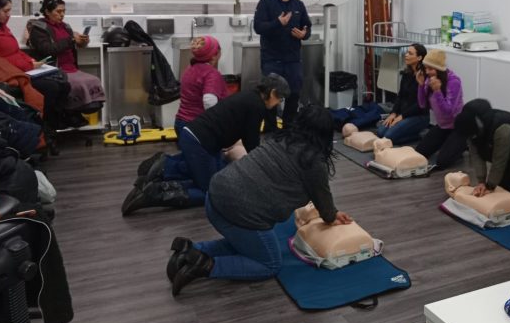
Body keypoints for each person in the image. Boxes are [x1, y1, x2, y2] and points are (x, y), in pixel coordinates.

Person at [166, 104, 352, 296]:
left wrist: (331, 213)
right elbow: (324, 204)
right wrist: (333, 216)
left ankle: (190, 251)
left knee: (245, 244)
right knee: (270, 263)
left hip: (214, 196)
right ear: (325, 134)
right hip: (238, 210)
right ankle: (205, 265)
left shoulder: (280, 138)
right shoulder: (314, 162)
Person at [121, 74, 289, 215]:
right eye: (279, 98)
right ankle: (155, 193)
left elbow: (243, 133)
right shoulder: (257, 106)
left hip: (194, 136)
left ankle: (165, 166)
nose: (278, 103)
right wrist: (262, 168)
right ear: (272, 93)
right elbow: (251, 141)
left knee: (212, 173)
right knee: (211, 191)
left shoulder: (249, 96)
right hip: (200, 143)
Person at [0, 0, 68, 153]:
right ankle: (43, 131)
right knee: (51, 88)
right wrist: (28, 65)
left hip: (24, 69)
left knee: (63, 82)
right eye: (5, 11)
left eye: (10, 10)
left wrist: (30, 61)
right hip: (10, 76)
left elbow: (15, 52)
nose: (9, 15)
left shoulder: (3, 28)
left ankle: (51, 128)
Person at [27, 0, 105, 127]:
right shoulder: (39, 28)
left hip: (71, 68)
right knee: (79, 84)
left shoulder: (66, 27)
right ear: (47, 12)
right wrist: (72, 40)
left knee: (94, 80)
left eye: (64, 11)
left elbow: (73, 44)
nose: (62, 14)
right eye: (58, 11)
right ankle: (68, 114)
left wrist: (82, 42)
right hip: (56, 70)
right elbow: (48, 49)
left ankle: (72, 114)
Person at [253, 0, 312, 129]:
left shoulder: (298, 5)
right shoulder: (265, 3)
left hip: (293, 60)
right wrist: (277, 23)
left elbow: (307, 27)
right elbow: (258, 27)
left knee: (294, 94)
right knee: (270, 94)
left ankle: (288, 128)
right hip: (272, 60)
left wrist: (304, 35)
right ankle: (271, 129)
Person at [414, 49, 466, 168]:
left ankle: (462, 144)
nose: (427, 72)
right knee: (419, 153)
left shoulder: (454, 82)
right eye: (426, 68)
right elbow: (422, 105)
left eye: (431, 69)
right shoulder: (429, 80)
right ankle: (448, 142)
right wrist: (421, 86)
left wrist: (437, 91)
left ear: (440, 69)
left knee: (442, 162)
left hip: (457, 126)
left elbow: (448, 112)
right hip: (443, 126)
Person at [173, 36, 228, 138]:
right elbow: (209, 101)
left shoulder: (189, 69)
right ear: (214, 55)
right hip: (198, 127)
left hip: (181, 123)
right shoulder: (211, 74)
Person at [375, 43, 429, 144]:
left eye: (410, 53)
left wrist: (402, 116)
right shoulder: (406, 73)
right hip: (403, 114)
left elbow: (420, 105)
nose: (406, 55)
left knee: (388, 136)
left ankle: (419, 136)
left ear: (419, 57)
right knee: (380, 132)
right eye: (407, 52)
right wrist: (393, 113)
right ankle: (408, 132)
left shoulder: (424, 76)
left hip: (419, 116)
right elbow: (400, 96)